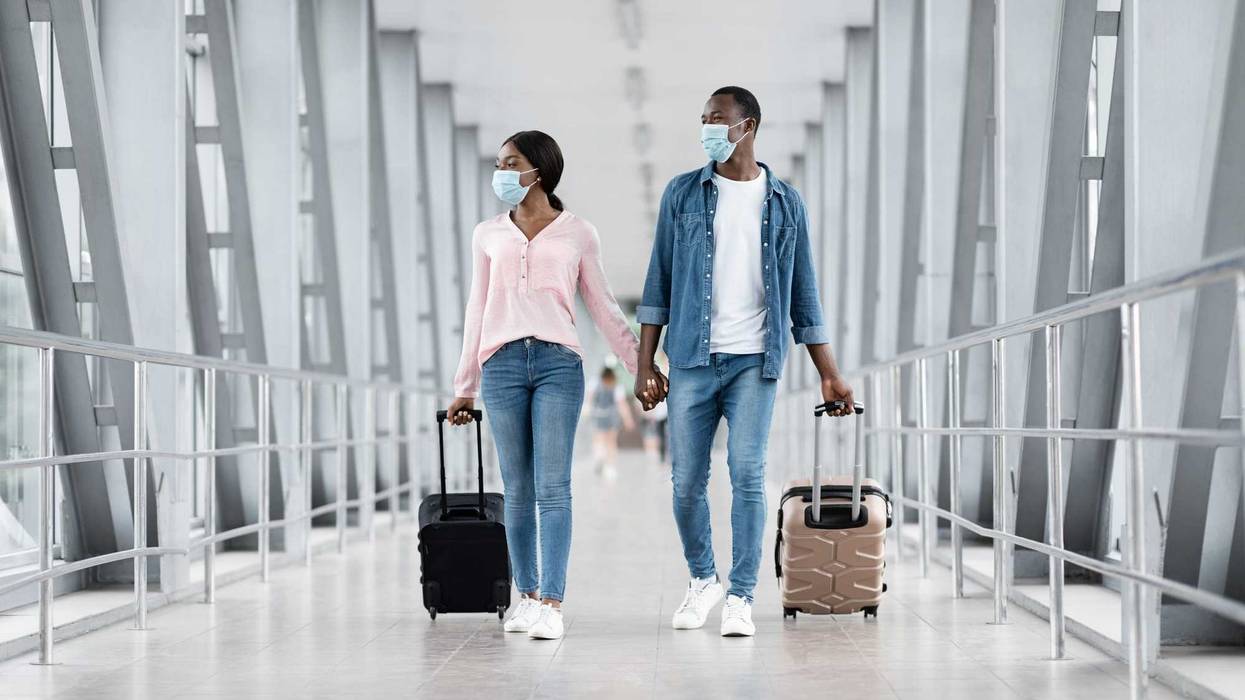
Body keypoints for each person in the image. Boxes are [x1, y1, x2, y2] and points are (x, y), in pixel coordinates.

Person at [634, 86, 854, 637]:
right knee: (686, 480)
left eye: (717, 119)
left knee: (748, 474)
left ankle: (740, 594)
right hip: (690, 357)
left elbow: (804, 295)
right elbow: (656, 284)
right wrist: (644, 365)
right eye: (704, 118)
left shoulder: (785, 202)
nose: (708, 127)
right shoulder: (682, 194)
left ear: (747, 126)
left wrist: (828, 371)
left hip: (755, 361)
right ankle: (703, 577)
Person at [446, 131, 663, 640]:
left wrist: (640, 366)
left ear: (537, 171)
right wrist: (465, 386)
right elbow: (477, 308)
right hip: (500, 364)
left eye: (510, 162)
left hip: (557, 365)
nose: (501, 171)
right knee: (517, 489)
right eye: (499, 162)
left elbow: (604, 306)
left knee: (553, 487)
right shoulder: (488, 234)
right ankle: (525, 595)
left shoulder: (578, 233)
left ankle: (552, 602)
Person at [588, 367, 635, 478]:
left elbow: (621, 404)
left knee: (605, 440)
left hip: (604, 415)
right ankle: (605, 462)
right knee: (606, 441)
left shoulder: (599, 383)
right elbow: (621, 404)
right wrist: (628, 420)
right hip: (605, 415)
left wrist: (627, 419)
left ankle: (604, 461)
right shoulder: (610, 384)